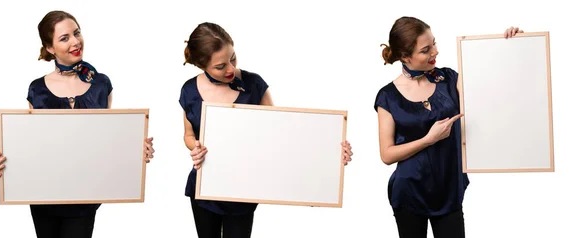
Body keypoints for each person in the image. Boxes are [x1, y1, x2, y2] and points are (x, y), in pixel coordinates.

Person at [179, 22, 354, 238]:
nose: (231, 69)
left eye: (233, 58)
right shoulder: (189, 90)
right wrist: (195, 147)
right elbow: (189, 135)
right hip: (204, 186)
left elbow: (281, 135)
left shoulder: (254, 84)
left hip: (243, 189)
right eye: (220, 66)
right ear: (202, 65)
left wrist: (330, 154)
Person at [0, 10, 156, 238]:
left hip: (85, 194)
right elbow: (31, 145)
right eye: (64, 38)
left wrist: (137, 150)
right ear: (50, 48)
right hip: (43, 195)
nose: (76, 41)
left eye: (77, 33)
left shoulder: (101, 84)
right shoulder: (36, 89)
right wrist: (6, 161)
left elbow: (107, 140)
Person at [374, 16, 523, 238]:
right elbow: (386, 155)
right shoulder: (387, 96)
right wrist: (428, 139)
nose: (435, 51)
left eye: (434, 43)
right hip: (409, 193)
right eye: (426, 49)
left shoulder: (449, 78)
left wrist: (509, 46)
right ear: (405, 56)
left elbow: (490, 87)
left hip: (448, 189)